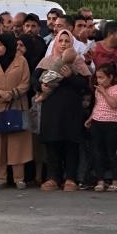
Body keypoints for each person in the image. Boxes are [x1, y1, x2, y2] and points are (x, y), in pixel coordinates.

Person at [35, 29, 91, 192]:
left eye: (67, 41)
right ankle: (53, 177)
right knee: (52, 144)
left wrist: (71, 76)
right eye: (61, 41)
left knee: (71, 144)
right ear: (56, 42)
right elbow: (35, 80)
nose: (64, 44)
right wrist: (41, 86)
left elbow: (85, 85)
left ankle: (70, 178)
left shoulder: (78, 62)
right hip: (51, 109)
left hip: (71, 109)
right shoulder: (46, 61)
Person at [0, 33, 32, 189]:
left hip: (16, 105)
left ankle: (19, 178)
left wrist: (12, 94)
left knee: (17, 141)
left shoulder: (21, 61)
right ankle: (1, 177)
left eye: (1, 45)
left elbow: (26, 83)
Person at [86, 63, 117, 192]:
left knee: (112, 152)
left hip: (111, 123)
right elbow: (98, 105)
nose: (99, 80)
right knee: (97, 152)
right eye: (97, 77)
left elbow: (114, 104)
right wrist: (91, 117)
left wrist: (104, 92)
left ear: (110, 77)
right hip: (98, 122)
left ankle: (116, 180)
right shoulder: (97, 89)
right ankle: (100, 180)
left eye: (102, 77)